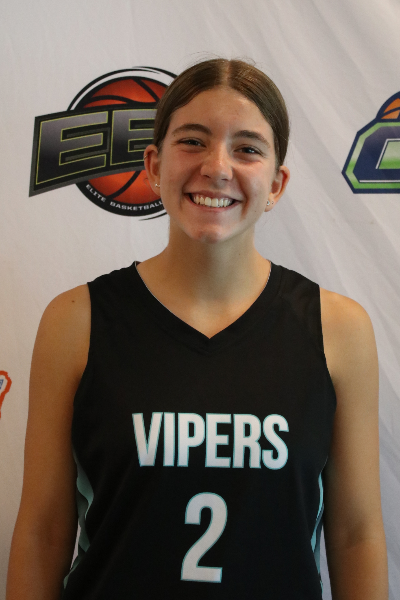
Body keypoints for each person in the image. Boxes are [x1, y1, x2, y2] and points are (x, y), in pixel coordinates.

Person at [6, 58, 388, 600]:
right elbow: (43, 530)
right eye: (193, 141)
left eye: (247, 148)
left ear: (277, 184)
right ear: (153, 164)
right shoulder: (76, 321)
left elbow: (355, 533)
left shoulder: (338, 329)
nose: (217, 167)